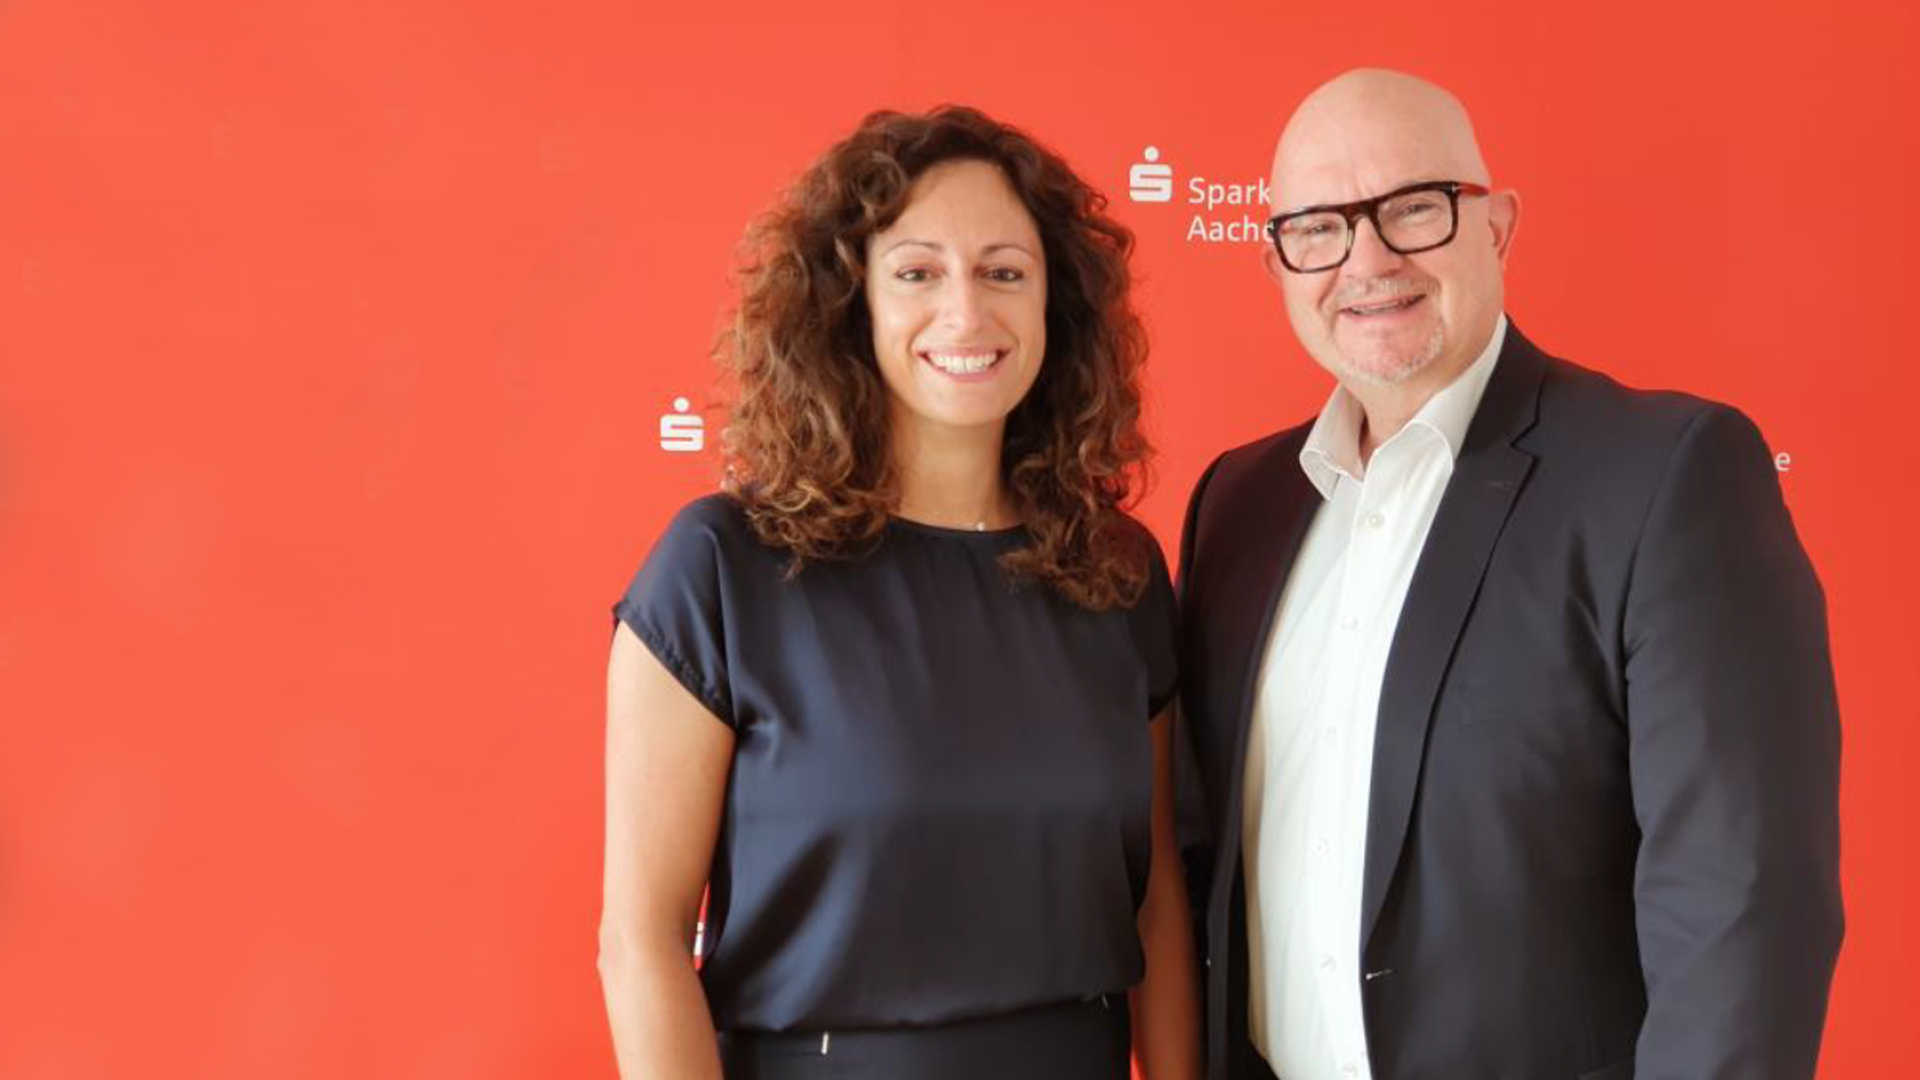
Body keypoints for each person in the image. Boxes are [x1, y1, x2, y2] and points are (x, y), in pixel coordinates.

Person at [1175, 69, 1842, 1080]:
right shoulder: (1239, 503)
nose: (1367, 258)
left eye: (1413, 209)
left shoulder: (1666, 476)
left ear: (1496, 227)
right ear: (1276, 263)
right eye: (1317, 227)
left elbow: (1741, 907)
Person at [598, 105, 1201, 1080]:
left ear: (1058, 304)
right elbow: (641, 942)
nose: (967, 314)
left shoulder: (1118, 569)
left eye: (1005, 271)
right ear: (853, 304)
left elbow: (1158, 899)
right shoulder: (721, 569)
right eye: (918, 273)